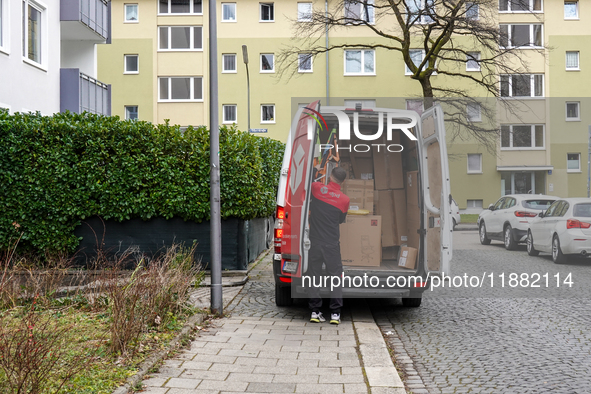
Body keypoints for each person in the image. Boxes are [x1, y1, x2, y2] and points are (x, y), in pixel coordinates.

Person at [307, 166, 349, 324]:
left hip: (315, 242)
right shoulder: (345, 200)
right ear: (343, 182)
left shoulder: (317, 189)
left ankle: (314, 311)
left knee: (314, 276)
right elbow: (340, 220)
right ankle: (335, 314)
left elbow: (308, 183)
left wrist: (314, 170)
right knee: (336, 277)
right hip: (331, 244)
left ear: (330, 176)